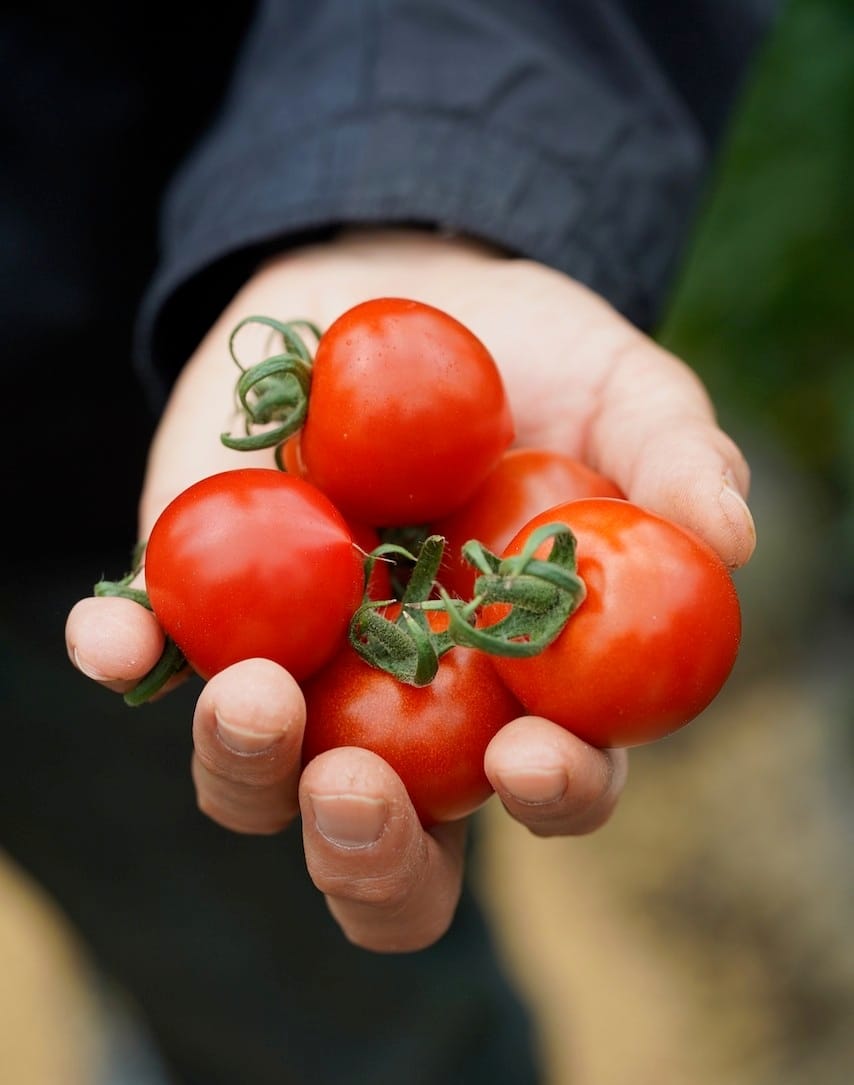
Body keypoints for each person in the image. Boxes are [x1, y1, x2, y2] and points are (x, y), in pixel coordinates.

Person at [3, 3, 771, 1083]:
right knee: (192, 919)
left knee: (301, 990)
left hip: (82, 447)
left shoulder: (455, 562)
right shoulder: (481, 574)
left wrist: (408, 194)